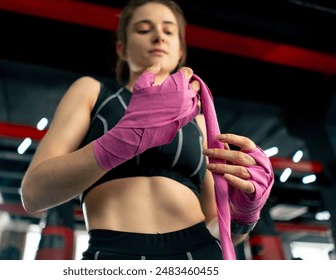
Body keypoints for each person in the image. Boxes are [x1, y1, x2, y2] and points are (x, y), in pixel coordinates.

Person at [21, 0, 274, 260]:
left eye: (169, 31)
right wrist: (120, 141)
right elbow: (33, 194)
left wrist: (243, 214)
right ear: (122, 49)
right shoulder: (92, 92)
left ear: (179, 52)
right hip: (112, 256)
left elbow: (220, 228)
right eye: (143, 29)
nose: (158, 37)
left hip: (199, 256)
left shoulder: (199, 121)